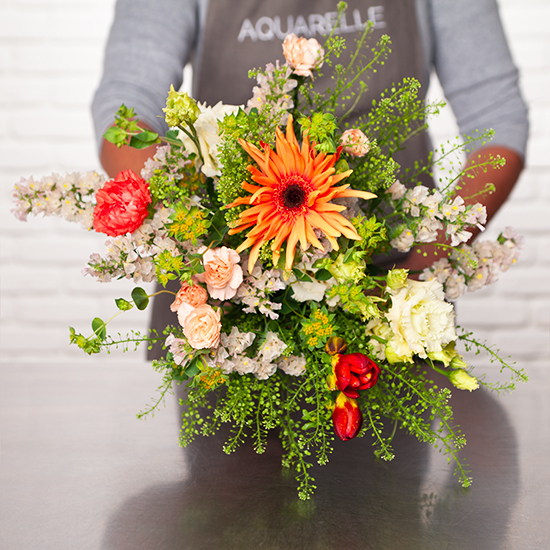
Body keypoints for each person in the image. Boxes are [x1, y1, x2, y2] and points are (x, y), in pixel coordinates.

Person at [91, 0, 528, 344]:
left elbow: (497, 120)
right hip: (225, 305)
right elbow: (126, 108)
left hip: (395, 299)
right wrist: (200, 234)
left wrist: (418, 271)